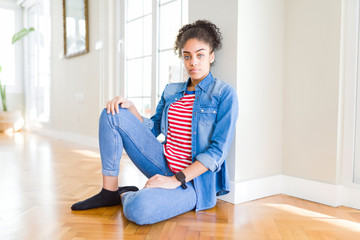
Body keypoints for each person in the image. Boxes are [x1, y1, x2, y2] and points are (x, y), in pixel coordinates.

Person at [71, 19, 239, 225]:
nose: (193, 62)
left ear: (211, 56)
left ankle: (126, 196)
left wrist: (174, 180)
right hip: (161, 162)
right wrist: (132, 110)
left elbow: (217, 153)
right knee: (112, 112)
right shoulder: (172, 91)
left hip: (193, 183)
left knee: (141, 209)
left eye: (200, 55)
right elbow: (154, 129)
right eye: (187, 56)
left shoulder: (224, 94)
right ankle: (110, 191)